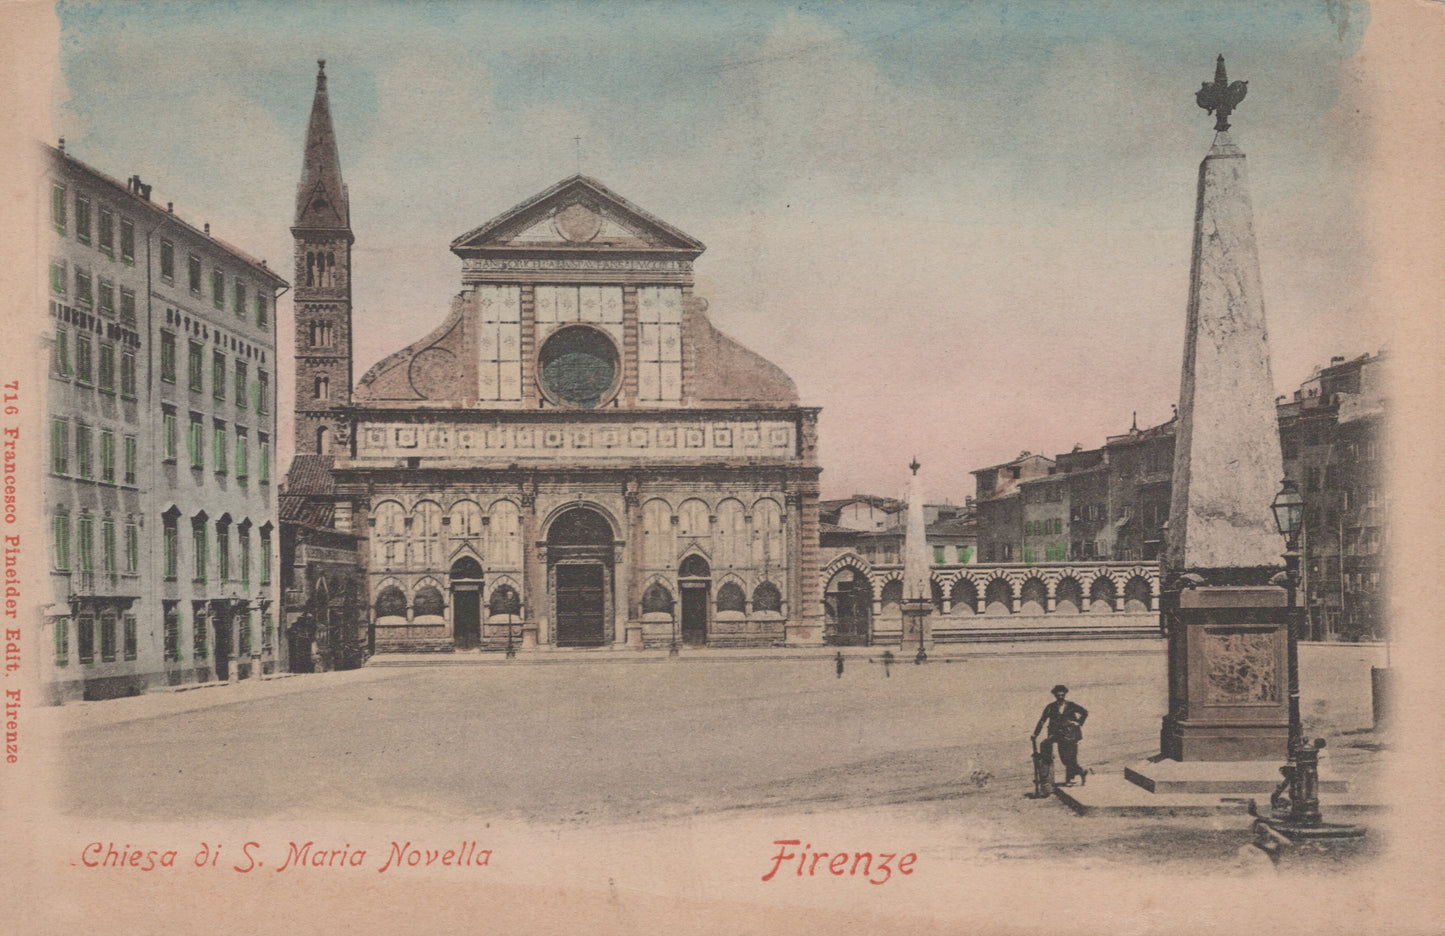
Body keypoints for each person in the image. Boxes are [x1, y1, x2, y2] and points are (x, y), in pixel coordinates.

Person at [1031, 684, 1089, 786]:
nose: (1060, 697)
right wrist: (1035, 734)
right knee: (1064, 759)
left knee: (1071, 758)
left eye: (1062, 695)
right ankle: (1081, 771)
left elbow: (1084, 712)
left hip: (1072, 734)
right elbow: (1042, 721)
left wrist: (1079, 723)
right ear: (1055, 695)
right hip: (1059, 736)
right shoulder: (1050, 707)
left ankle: (1069, 780)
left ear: (1065, 694)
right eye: (1058, 695)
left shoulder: (1071, 705)